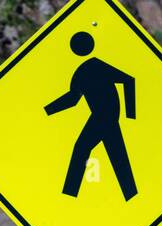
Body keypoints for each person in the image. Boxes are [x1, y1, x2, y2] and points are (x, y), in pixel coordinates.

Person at [44, 30, 138, 201]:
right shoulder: (81, 71)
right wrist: (47, 110)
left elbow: (129, 80)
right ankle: (131, 195)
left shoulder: (95, 66)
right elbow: (73, 99)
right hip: (103, 116)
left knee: (82, 148)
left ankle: (69, 195)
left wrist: (131, 115)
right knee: (117, 154)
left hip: (104, 116)